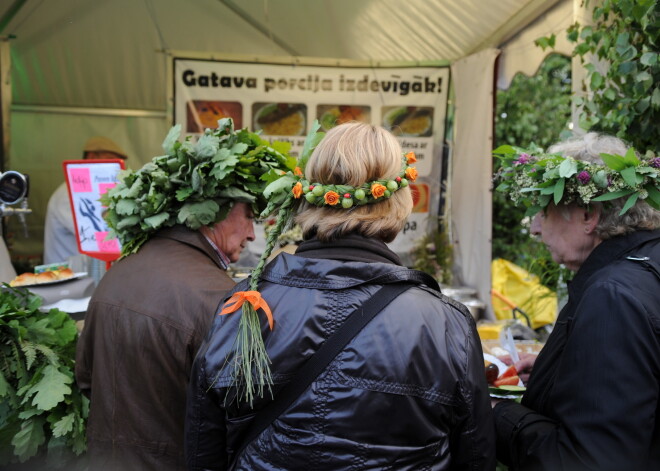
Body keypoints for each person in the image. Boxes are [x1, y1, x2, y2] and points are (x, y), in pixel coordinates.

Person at [185, 122, 496, 470]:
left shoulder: (241, 307)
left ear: (306, 196)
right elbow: (476, 457)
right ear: (399, 201)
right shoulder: (444, 324)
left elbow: (204, 452)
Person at [75, 119, 293, 471]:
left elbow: (85, 380)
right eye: (249, 216)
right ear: (213, 213)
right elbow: (240, 417)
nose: (253, 235)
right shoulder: (222, 298)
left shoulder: (118, 275)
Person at [492, 132, 660, 470]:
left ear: (588, 216)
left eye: (545, 210)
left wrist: (497, 413)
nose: (535, 228)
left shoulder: (613, 298)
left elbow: (587, 459)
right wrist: (556, 373)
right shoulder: (647, 263)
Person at [43, 136, 128, 264]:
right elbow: (96, 233)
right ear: (92, 157)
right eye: (110, 160)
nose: (115, 169)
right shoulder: (69, 193)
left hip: (84, 274)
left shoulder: (91, 191)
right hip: (66, 276)